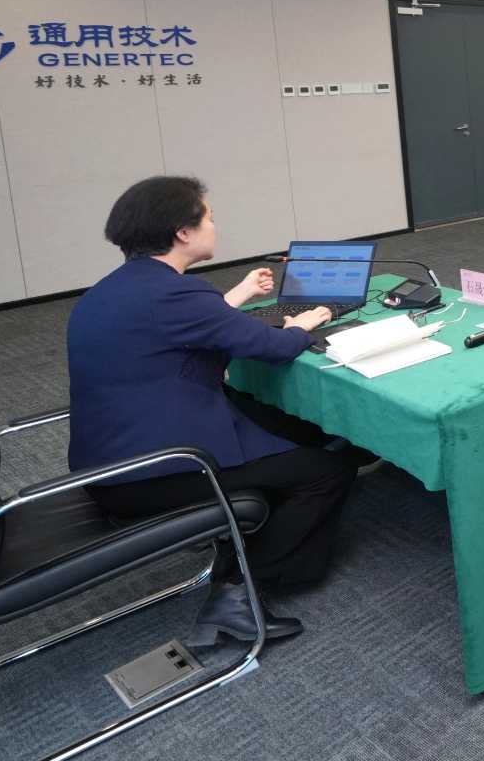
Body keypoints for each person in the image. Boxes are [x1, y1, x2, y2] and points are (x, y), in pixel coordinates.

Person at [69, 176, 355, 648]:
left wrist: (238, 294)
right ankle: (240, 589)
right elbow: (272, 348)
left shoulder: (113, 289)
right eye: (209, 218)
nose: (215, 226)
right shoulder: (176, 295)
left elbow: (185, 325)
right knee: (326, 470)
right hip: (154, 471)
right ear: (183, 232)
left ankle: (248, 542)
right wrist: (305, 324)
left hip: (107, 459)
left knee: (271, 420)